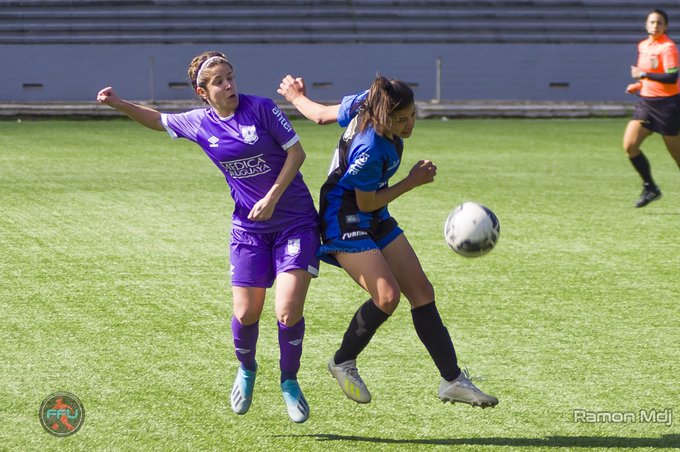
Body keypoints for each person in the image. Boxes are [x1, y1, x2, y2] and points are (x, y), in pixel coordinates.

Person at [97, 51, 320, 423]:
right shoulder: (200, 123)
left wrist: (271, 197)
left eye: (231, 77)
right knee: (247, 313)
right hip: (248, 230)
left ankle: (289, 382)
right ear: (203, 92)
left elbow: (297, 154)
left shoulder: (261, 109)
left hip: (295, 222)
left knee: (286, 309)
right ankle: (247, 369)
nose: (229, 85)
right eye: (219, 82)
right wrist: (119, 104)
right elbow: (158, 120)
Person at [277, 74, 499, 408]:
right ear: (383, 117)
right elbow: (366, 202)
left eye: (412, 115)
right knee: (387, 297)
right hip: (345, 218)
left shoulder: (369, 99)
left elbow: (321, 115)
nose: (409, 124)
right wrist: (412, 181)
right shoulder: (370, 148)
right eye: (400, 120)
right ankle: (342, 362)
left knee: (422, 293)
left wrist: (296, 98)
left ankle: (452, 380)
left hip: (375, 216)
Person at [624, 8, 680, 208]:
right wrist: (638, 85)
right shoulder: (643, 46)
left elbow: (672, 76)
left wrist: (643, 77)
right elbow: (647, 74)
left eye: (659, 23)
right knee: (630, 145)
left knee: (677, 156)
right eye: (652, 22)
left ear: (665, 26)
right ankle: (650, 188)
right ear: (646, 25)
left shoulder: (668, 48)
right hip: (646, 103)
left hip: (667, 106)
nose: (655, 26)